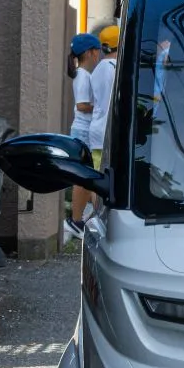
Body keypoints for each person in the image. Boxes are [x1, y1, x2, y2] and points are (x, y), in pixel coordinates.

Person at [66, 32, 109, 240]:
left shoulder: (83, 73)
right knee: (89, 176)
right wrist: (100, 106)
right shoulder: (83, 75)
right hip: (83, 130)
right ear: (91, 53)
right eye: (98, 51)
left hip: (84, 130)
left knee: (87, 177)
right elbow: (82, 105)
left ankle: (82, 218)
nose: (99, 56)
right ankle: (84, 218)